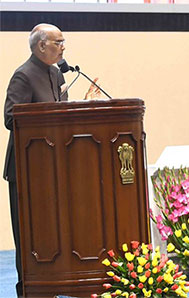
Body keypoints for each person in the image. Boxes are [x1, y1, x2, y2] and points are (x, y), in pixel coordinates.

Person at [4, 23, 99, 297]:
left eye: (63, 41)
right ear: (41, 45)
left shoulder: (57, 74)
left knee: (55, 231)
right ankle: (29, 289)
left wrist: (82, 105)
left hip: (54, 168)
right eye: (58, 42)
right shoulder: (23, 76)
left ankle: (55, 282)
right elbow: (11, 118)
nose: (63, 46)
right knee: (29, 233)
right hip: (27, 169)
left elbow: (61, 116)